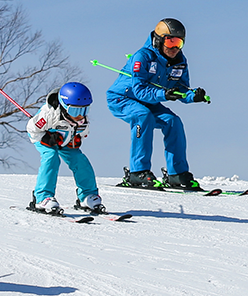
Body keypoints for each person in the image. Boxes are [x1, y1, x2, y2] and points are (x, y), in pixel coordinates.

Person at [106, 18, 209, 189]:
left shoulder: (180, 61)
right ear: (159, 40)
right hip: (123, 98)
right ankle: (138, 172)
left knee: (173, 122)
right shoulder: (143, 57)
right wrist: (164, 94)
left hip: (150, 101)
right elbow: (139, 91)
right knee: (143, 116)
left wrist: (193, 96)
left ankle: (177, 174)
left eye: (179, 43)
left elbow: (181, 89)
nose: (175, 48)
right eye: (171, 41)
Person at [26, 82, 104, 215]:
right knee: (51, 157)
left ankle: (87, 195)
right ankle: (43, 197)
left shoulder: (82, 121)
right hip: (44, 139)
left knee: (80, 160)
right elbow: (31, 129)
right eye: (75, 111)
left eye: (84, 110)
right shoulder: (48, 114)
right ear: (64, 106)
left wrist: (75, 140)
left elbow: (83, 134)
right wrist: (46, 138)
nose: (80, 116)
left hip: (66, 141)